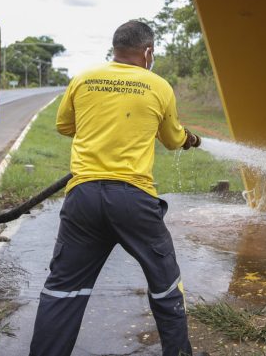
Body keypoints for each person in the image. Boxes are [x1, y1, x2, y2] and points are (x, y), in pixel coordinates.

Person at [29, 20, 203, 356]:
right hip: (133, 199)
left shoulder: (83, 79)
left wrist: (102, 127)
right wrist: (188, 139)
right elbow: (171, 139)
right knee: (166, 285)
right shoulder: (158, 86)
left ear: (115, 48)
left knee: (64, 290)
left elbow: (65, 125)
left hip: (83, 197)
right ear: (148, 52)